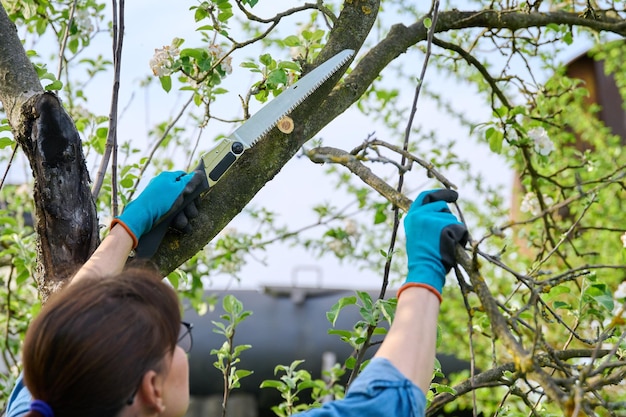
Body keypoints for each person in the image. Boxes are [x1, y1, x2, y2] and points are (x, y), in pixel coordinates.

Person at [4, 170, 468, 417]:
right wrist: (426, 270)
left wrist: (128, 229)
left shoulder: (44, 403)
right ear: (151, 390)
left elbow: (59, 342)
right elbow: (386, 404)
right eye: (177, 339)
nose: (185, 345)